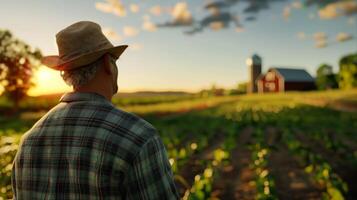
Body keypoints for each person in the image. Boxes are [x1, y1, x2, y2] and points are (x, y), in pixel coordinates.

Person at [11, 21, 179, 200]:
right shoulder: (138, 137)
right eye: (115, 61)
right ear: (108, 63)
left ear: (66, 74)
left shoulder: (28, 142)